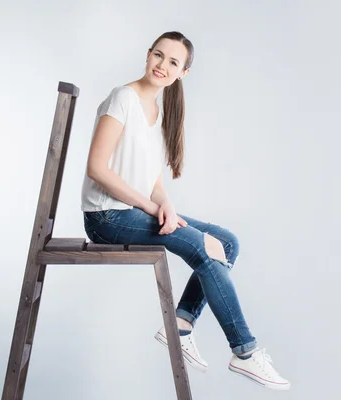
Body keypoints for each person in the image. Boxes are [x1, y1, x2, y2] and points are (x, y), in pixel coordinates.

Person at [80, 31, 290, 390]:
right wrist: (150, 206)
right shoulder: (122, 99)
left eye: (173, 62)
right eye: (158, 55)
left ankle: (180, 325)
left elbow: (151, 179)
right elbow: (97, 168)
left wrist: (166, 204)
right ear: (147, 55)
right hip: (106, 217)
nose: (162, 65)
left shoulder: (159, 111)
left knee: (225, 242)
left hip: (132, 212)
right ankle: (245, 352)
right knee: (204, 250)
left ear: (184, 72)